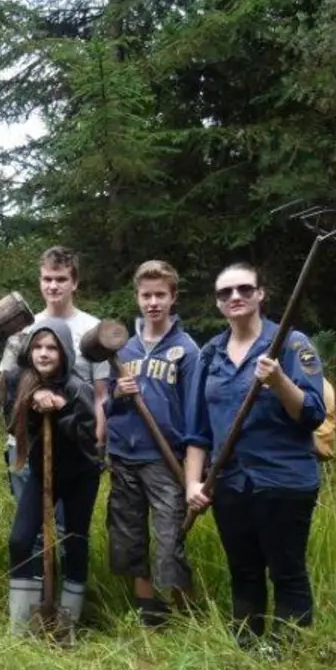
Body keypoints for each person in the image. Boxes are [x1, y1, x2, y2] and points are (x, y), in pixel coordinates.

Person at [184, 262, 327, 651]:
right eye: (225, 292)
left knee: (287, 572)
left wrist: (279, 381)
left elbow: (313, 415)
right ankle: (246, 649)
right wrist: (193, 483)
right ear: (217, 302)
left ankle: (289, 654)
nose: (235, 297)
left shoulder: (292, 345)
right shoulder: (210, 354)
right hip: (229, 483)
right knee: (243, 571)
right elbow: (197, 431)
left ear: (261, 294)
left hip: (284, 481)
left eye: (244, 289)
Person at [0, 246, 111, 609]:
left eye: (61, 279)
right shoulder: (24, 329)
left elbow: (99, 395)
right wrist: (18, 429)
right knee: (26, 537)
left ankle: (66, 616)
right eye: (47, 279)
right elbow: (9, 384)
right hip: (34, 448)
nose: (53, 286)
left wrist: (96, 443)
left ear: (74, 282)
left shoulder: (91, 329)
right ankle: (29, 615)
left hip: (78, 450)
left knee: (70, 535)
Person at [106, 261, 203, 627]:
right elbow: (109, 408)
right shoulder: (124, 350)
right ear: (137, 297)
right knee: (131, 542)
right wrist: (117, 393)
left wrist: (195, 465)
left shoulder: (187, 350)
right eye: (146, 295)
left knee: (168, 543)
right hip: (123, 457)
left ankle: (184, 618)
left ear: (173, 297)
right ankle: (149, 618)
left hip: (165, 459)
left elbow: (195, 410)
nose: (153, 302)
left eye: (160, 295)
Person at [4, 321, 98, 636]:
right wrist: (32, 399)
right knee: (20, 539)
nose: (44, 353)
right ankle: (21, 625)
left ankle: (66, 622)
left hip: (80, 474)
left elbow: (88, 438)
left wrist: (61, 408)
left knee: (74, 541)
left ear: (64, 352)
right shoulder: (21, 380)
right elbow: (10, 422)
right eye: (38, 347)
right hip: (42, 472)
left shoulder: (77, 386)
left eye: (52, 347)